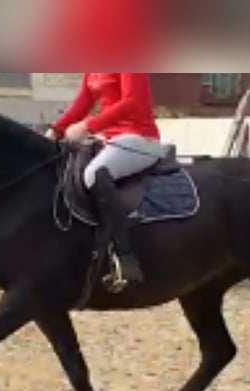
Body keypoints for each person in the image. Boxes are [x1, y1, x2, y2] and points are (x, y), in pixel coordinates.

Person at [46, 73, 163, 286]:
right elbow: (82, 104)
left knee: (94, 174)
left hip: (139, 137)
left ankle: (125, 256)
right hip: (110, 139)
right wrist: (55, 130)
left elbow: (133, 102)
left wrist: (88, 126)